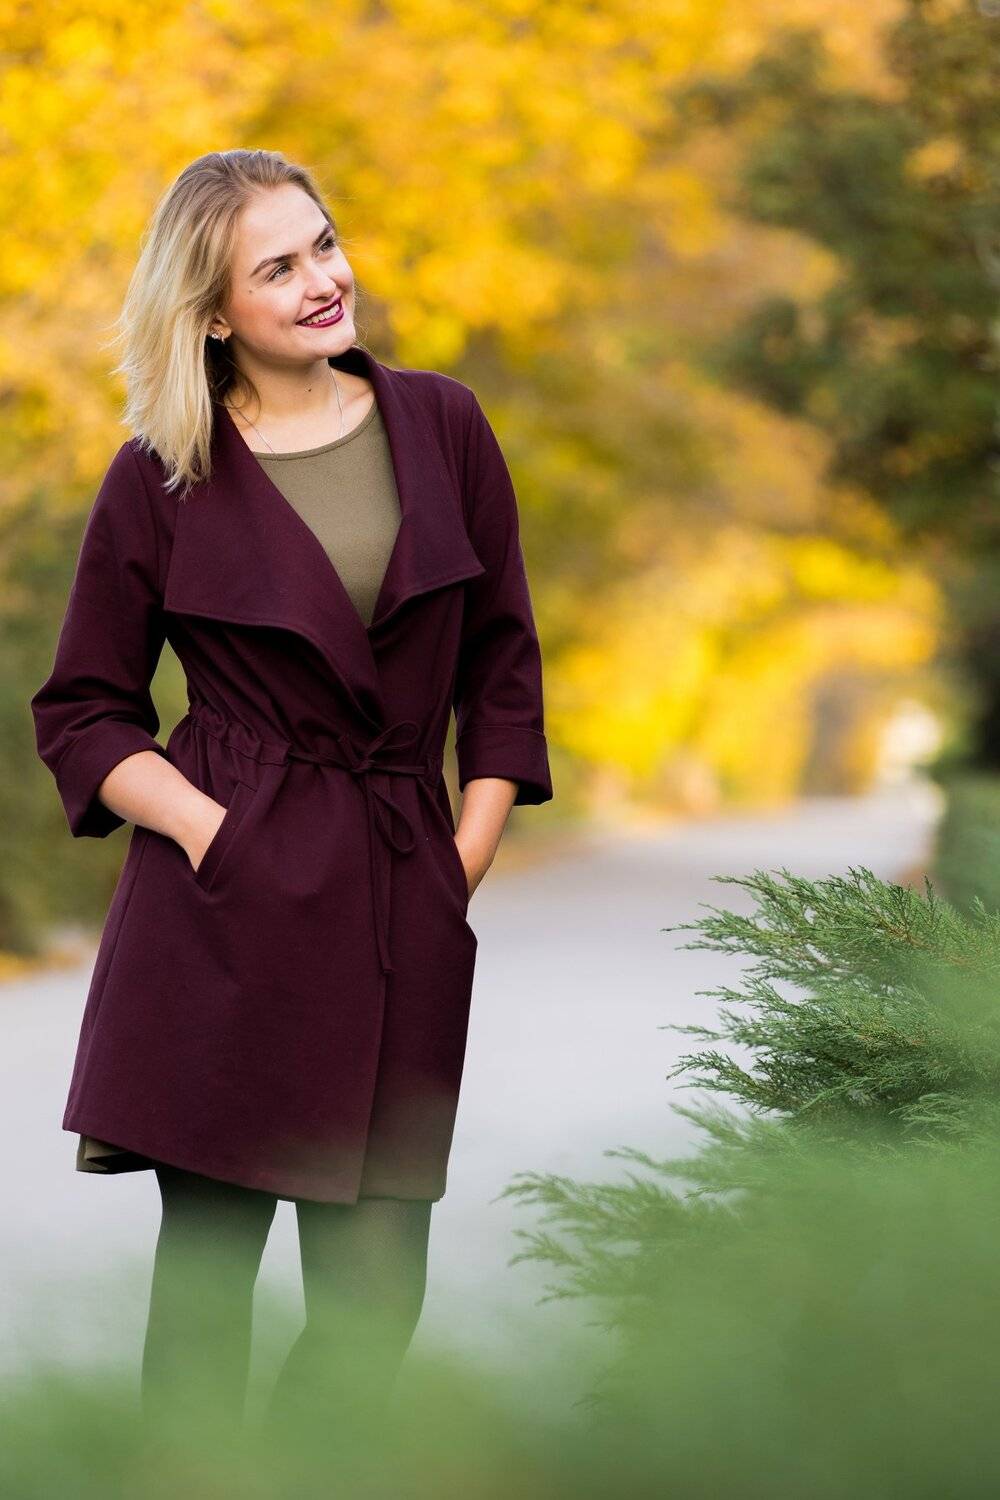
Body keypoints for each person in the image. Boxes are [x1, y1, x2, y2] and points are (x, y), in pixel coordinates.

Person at [30, 148, 553, 1450]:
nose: (324, 280)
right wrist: (211, 830)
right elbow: (85, 710)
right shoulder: (162, 475)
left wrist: (463, 854)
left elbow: (502, 668)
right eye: (278, 267)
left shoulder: (443, 425)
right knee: (208, 1290)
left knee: (377, 1298)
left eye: (323, 244)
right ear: (213, 314)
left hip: (400, 888)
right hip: (225, 914)